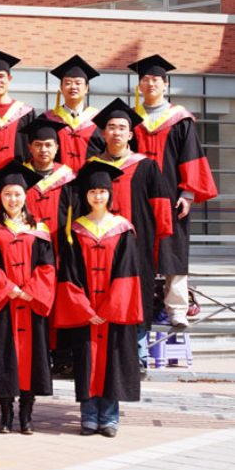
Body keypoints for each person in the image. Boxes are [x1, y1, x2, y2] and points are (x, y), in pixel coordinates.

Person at [128, 55, 218, 327]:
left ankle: (177, 308)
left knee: (174, 250)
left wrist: (188, 194)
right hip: (138, 197)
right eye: (145, 79)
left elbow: (191, 156)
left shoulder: (180, 118)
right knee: (137, 249)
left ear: (165, 84)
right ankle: (137, 305)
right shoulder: (131, 119)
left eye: (155, 79)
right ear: (139, 85)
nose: (150, 84)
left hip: (171, 198)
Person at [55, 161, 143, 438]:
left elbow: (128, 271)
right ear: (85, 195)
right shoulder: (75, 230)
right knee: (86, 363)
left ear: (110, 194)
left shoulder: (123, 229)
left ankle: (109, 417)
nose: (97, 196)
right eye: (92, 191)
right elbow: (69, 274)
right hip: (86, 313)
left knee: (112, 363)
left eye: (103, 191)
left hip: (113, 313)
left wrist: (109, 308)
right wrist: (85, 309)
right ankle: (89, 416)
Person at [0, 161, 56, 435]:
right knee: (2, 356)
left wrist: (31, 290)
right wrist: (7, 286)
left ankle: (27, 414)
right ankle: (6, 413)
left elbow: (48, 266)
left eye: (17, 194)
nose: (13, 199)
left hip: (31, 303)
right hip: (3, 303)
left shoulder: (39, 229)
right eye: (7, 194)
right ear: (0, 197)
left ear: (26, 195)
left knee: (31, 358)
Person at [91, 99, 173, 368]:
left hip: (138, 245)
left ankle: (138, 356)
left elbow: (161, 209)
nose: (116, 132)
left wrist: (156, 246)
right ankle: (102, 358)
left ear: (130, 134)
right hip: (99, 246)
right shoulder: (92, 167)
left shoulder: (147, 166)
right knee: (102, 295)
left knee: (135, 296)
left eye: (122, 128)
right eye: (111, 127)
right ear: (103, 133)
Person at [39, 55, 105, 171]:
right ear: (61, 87)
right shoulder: (47, 119)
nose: (73, 87)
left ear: (86, 88)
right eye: (68, 83)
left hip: (91, 180)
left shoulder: (100, 120)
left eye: (78, 83)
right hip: (57, 179)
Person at [21, 118, 78, 251]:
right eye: (38, 145)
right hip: (27, 245)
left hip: (62, 246)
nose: (43, 149)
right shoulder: (21, 177)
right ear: (30, 148)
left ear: (56, 148)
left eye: (48, 145)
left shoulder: (69, 178)